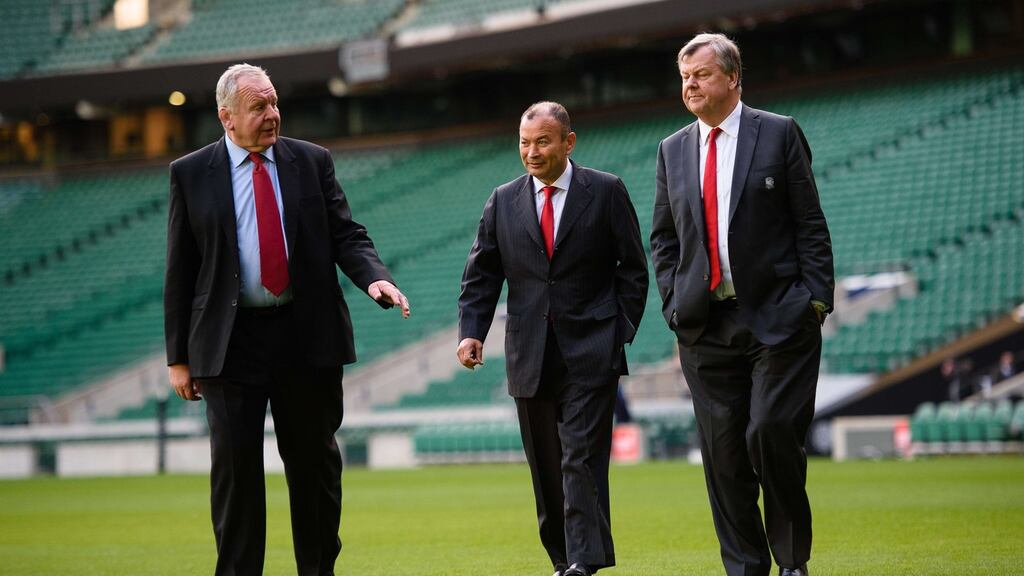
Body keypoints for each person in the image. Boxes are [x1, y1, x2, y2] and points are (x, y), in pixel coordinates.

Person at [164, 63, 410, 576]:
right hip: (229, 345)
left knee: (315, 469)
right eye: (259, 107)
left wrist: (374, 279)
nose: (273, 114)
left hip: (304, 337)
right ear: (226, 117)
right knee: (236, 477)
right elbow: (181, 269)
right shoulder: (189, 174)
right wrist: (178, 359)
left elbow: (346, 233)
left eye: (274, 103)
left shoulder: (311, 161)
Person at [650, 34, 834, 576]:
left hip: (779, 317)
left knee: (769, 431)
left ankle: (792, 562)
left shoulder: (777, 132)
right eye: (684, 76)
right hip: (705, 327)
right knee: (724, 457)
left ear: (733, 78)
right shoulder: (671, 149)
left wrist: (816, 300)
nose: (690, 85)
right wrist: (674, 305)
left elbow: (809, 222)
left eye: (701, 75)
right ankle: (745, 568)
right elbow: (664, 238)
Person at [457, 101, 648, 576]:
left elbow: (634, 269)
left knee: (579, 460)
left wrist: (618, 331)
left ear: (568, 141)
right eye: (524, 142)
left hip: (592, 350)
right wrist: (471, 333)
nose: (532, 151)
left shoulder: (605, 191)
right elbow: (481, 275)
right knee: (546, 470)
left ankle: (582, 561)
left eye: (542, 141)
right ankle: (564, 558)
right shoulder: (502, 200)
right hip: (529, 355)